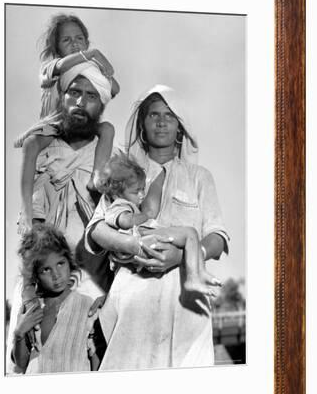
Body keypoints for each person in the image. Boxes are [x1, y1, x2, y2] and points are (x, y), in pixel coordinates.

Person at [86, 84, 230, 371]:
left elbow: (217, 236)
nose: (162, 121)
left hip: (185, 301)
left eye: (170, 115)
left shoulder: (199, 177)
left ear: (180, 127)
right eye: (153, 115)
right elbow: (97, 229)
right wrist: (133, 245)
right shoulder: (123, 172)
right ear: (142, 124)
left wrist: (182, 257)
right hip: (132, 300)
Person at [6, 62, 117, 373]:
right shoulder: (42, 146)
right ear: (62, 98)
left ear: (101, 105)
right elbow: (30, 219)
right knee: (26, 363)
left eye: (91, 96)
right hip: (40, 276)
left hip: (90, 277)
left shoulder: (106, 150)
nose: (80, 102)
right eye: (74, 93)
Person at [15, 14, 121, 234]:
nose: (74, 44)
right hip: (53, 125)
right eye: (67, 40)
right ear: (56, 48)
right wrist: (90, 55)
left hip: (80, 124)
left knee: (107, 128)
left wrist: (104, 68)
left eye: (79, 38)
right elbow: (60, 67)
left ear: (86, 40)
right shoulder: (53, 66)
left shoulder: (90, 69)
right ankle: (26, 208)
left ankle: (97, 177)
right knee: (32, 144)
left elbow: (113, 89)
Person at [94, 152, 222, 298]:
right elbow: (124, 221)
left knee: (189, 237)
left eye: (143, 189)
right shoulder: (118, 204)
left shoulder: (125, 202)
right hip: (141, 235)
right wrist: (145, 216)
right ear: (117, 192)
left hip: (141, 239)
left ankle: (196, 274)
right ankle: (194, 277)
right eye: (137, 191)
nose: (142, 195)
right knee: (190, 233)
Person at [11, 224, 100, 374]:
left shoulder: (87, 305)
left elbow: (95, 360)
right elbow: (21, 363)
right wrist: (19, 333)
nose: (56, 275)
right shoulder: (32, 310)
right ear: (36, 275)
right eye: (46, 269)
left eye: (60, 263)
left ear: (69, 262)